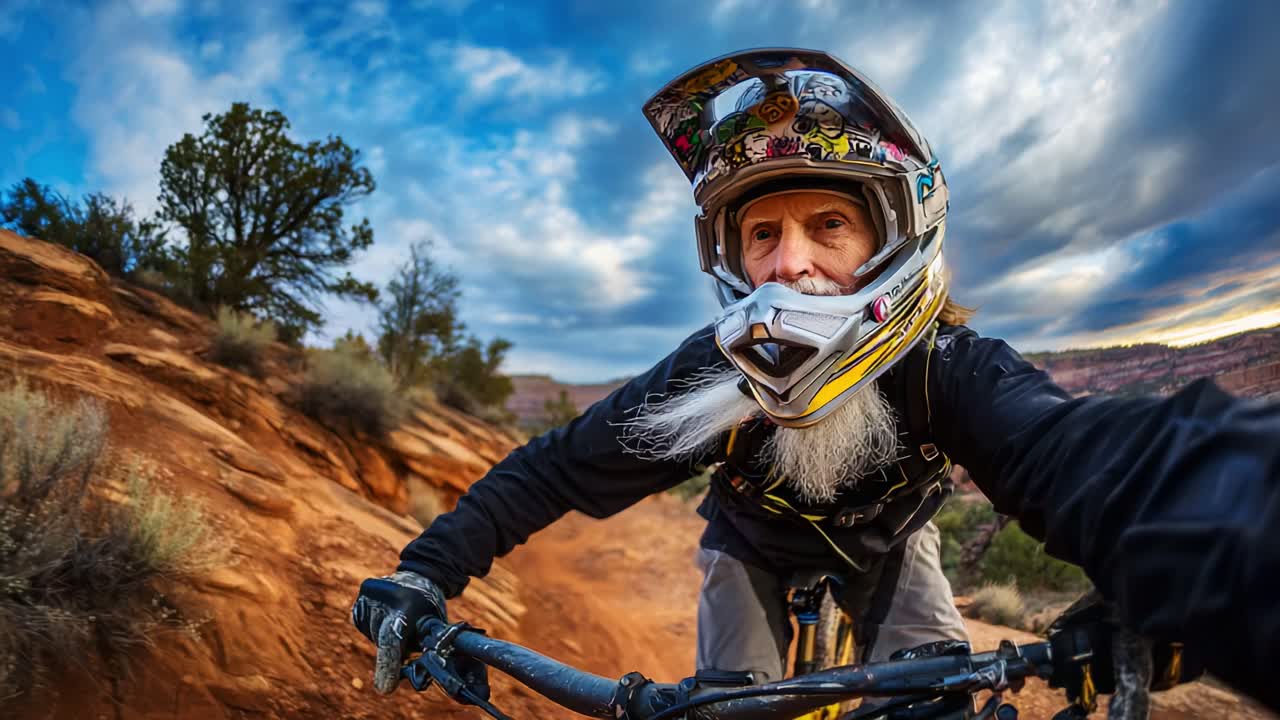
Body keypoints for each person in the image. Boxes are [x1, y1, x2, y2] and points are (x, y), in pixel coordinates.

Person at [351, 48, 1280, 711]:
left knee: (935, 702)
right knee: (727, 708)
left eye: (828, 225)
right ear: (733, 256)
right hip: (749, 544)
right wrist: (425, 574)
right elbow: (559, 465)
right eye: (762, 233)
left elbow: (1093, 458)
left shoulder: (946, 369)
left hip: (890, 548)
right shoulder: (714, 372)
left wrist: (1201, 560)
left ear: (891, 237)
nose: (788, 264)